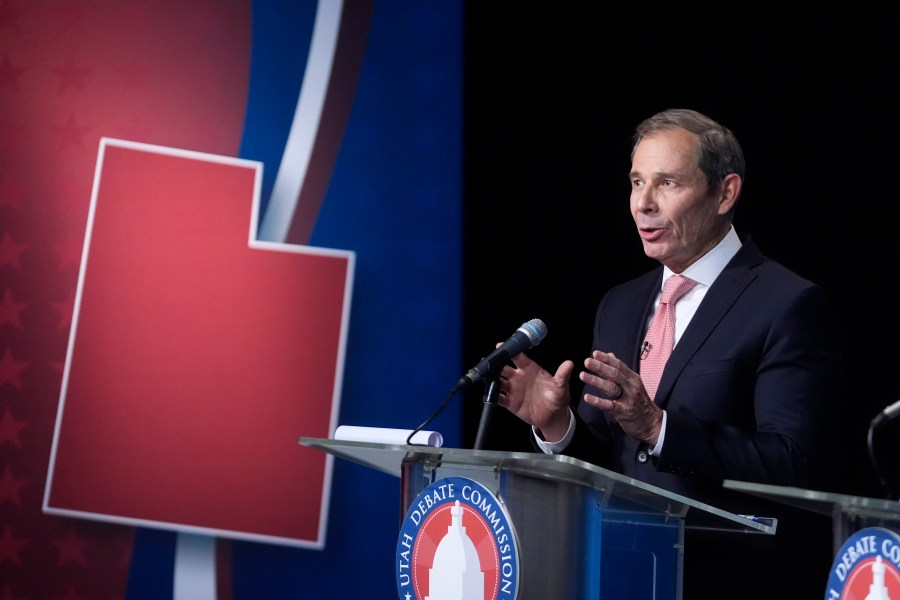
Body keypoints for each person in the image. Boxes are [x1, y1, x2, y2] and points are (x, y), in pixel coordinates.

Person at [495, 108, 843, 599]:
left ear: (725, 193)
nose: (643, 204)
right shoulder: (620, 304)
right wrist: (558, 425)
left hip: (731, 581)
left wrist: (660, 428)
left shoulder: (786, 303)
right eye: (636, 182)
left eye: (667, 183)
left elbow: (793, 462)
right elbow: (615, 456)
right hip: (622, 575)